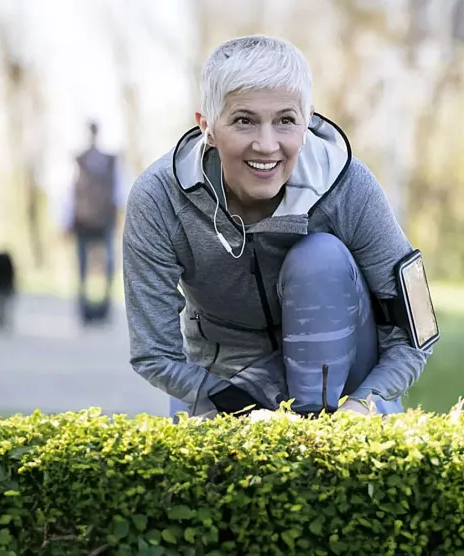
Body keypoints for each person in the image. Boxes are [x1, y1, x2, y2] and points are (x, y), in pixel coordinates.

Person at [121, 35, 436, 419]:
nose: (267, 145)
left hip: (345, 373)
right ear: (207, 126)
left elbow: (415, 332)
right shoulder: (159, 198)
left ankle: (321, 416)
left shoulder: (349, 185)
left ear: (308, 121)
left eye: (285, 121)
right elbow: (154, 353)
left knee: (319, 258)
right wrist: (241, 410)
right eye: (244, 121)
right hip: (223, 380)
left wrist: (364, 403)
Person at [60, 121, 128, 325]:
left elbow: (119, 191)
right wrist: (66, 219)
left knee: (108, 265)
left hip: (105, 219)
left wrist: (120, 216)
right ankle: (84, 309)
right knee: (82, 266)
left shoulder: (111, 161)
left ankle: (105, 308)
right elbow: (69, 192)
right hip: (83, 220)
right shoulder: (78, 160)